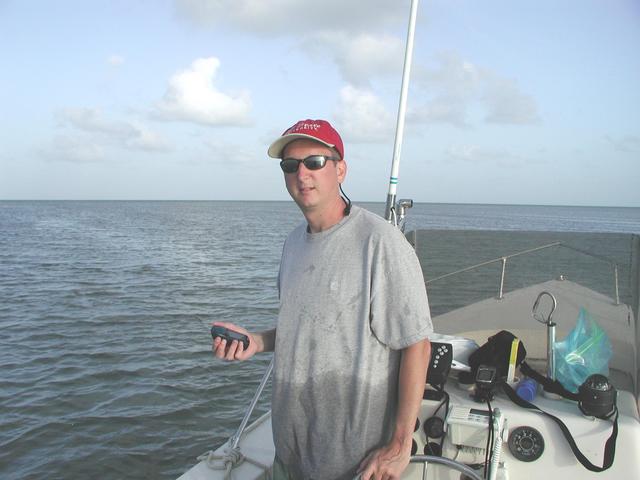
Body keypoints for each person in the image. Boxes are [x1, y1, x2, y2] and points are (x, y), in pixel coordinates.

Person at [213, 119, 433, 480]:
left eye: (315, 161)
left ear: (340, 169)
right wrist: (256, 342)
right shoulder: (292, 244)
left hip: (351, 465)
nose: (302, 173)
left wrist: (399, 443)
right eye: (290, 165)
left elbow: (417, 345)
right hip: (290, 453)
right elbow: (300, 326)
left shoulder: (380, 242)